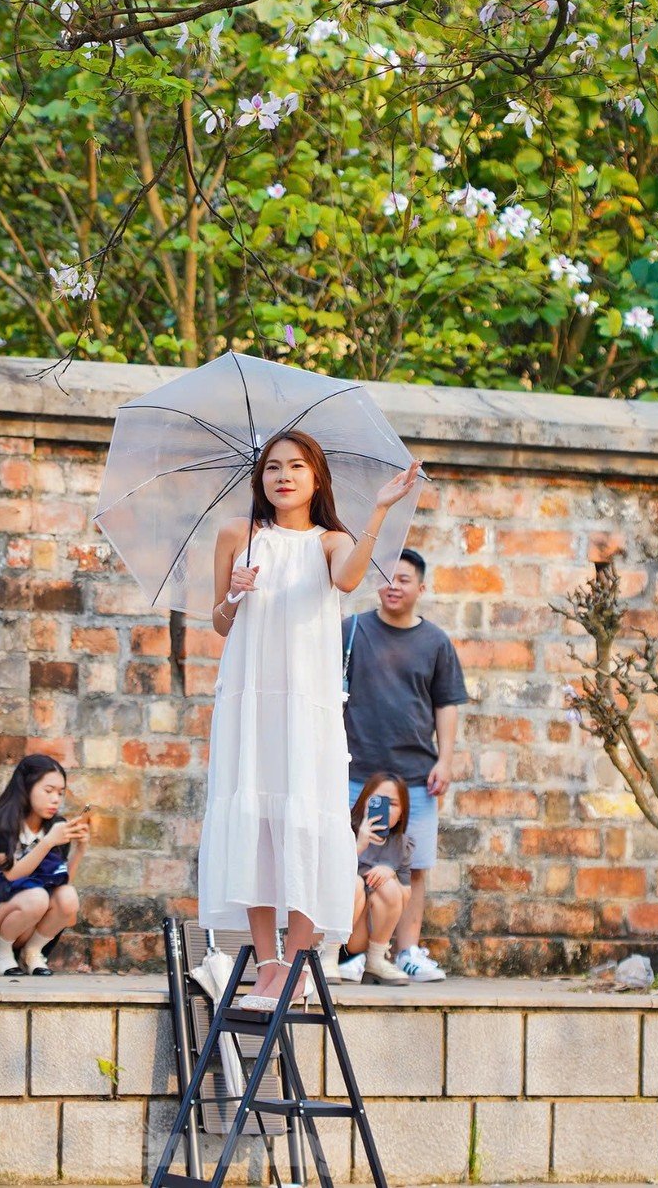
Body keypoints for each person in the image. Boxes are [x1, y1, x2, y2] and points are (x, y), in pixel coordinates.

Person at [201, 429, 420, 1010]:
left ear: (316, 478)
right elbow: (220, 623)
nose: (284, 477)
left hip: (305, 702)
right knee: (251, 813)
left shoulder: (329, 540)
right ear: (260, 477)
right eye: (273, 467)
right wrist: (234, 594)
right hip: (249, 698)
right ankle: (267, 963)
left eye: (297, 466)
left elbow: (348, 578)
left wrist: (377, 510)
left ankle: (296, 964)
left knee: (300, 819)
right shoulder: (234, 535)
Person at [341, 547, 468, 983]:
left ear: (421, 588)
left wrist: (445, 761)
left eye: (404, 579)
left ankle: (407, 950)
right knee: (347, 861)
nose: (393, 586)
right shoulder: (352, 630)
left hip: (415, 777)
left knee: (412, 867)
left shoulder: (435, 642)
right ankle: (348, 953)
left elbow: (446, 704)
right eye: (386, 577)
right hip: (354, 774)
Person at [0, 754, 91, 975]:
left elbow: (62, 882)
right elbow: (11, 876)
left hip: (26, 923)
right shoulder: (3, 821)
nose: (56, 799)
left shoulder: (55, 825)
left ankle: (31, 953)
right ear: (26, 787)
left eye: (60, 793)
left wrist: (80, 850)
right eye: (48, 791)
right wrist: (47, 843)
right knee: (36, 896)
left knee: (68, 897)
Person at [337, 773, 414, 985]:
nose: (386, 809)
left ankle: (376, 960)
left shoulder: (401, 845)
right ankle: (327, 958)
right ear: (364, 802)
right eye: (379, 801)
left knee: (389, 886)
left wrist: (391, 873)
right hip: (332, 930)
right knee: (354, 883)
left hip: (363, 935)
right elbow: (328, 881)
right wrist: (359, 844)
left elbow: (405, 898)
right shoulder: (344, 830)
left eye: (394, 804)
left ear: (402, 812)